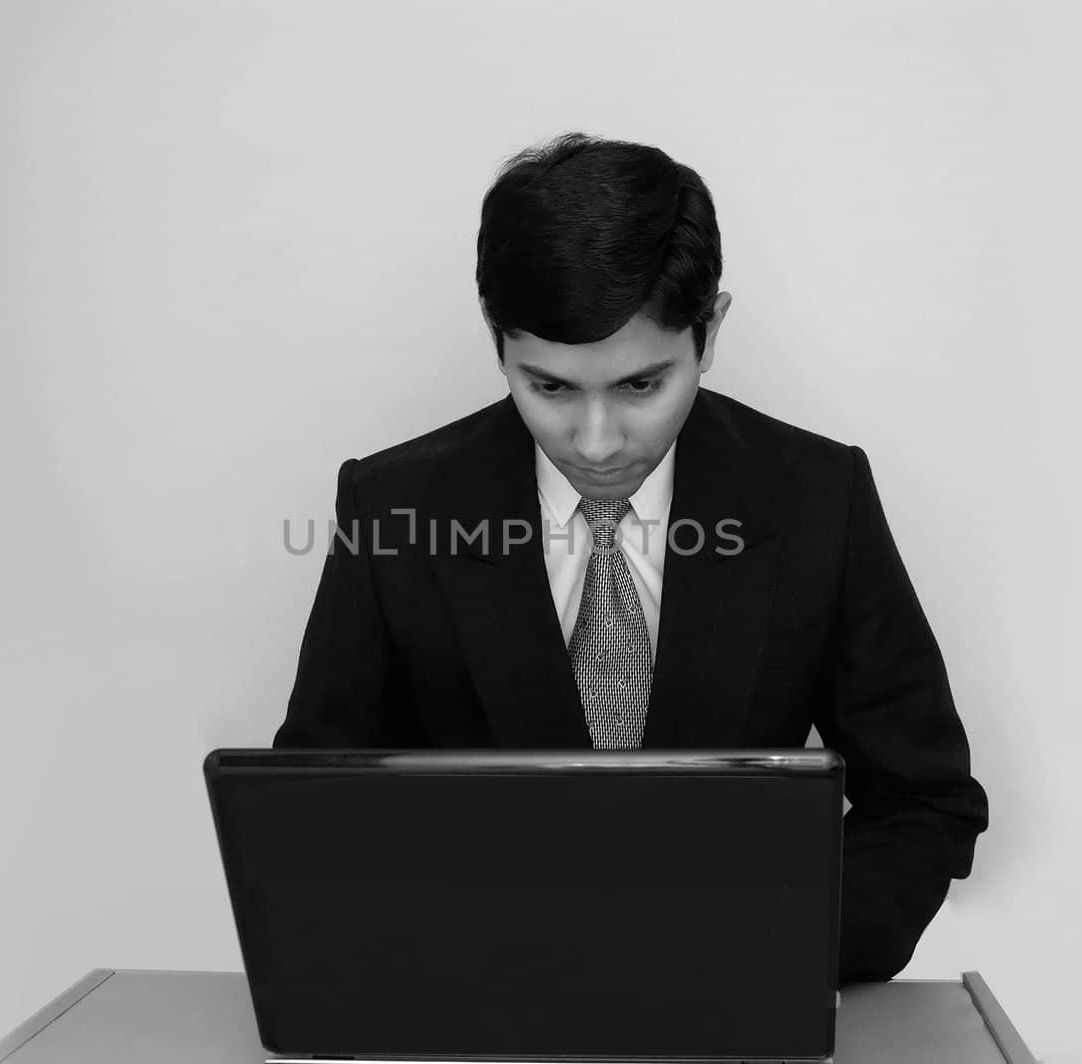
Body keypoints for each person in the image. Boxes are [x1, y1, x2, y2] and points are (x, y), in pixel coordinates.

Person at [273, 131, 989, 983]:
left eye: (642, 386)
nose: (599, 442)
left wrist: (780, 948)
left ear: (709, 331)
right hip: (473, 1003)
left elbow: (922, 798)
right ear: (497, 340)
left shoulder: (816, 497)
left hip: (739, 1003)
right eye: (552, 388)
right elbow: (311, 809)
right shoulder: (393, 507)